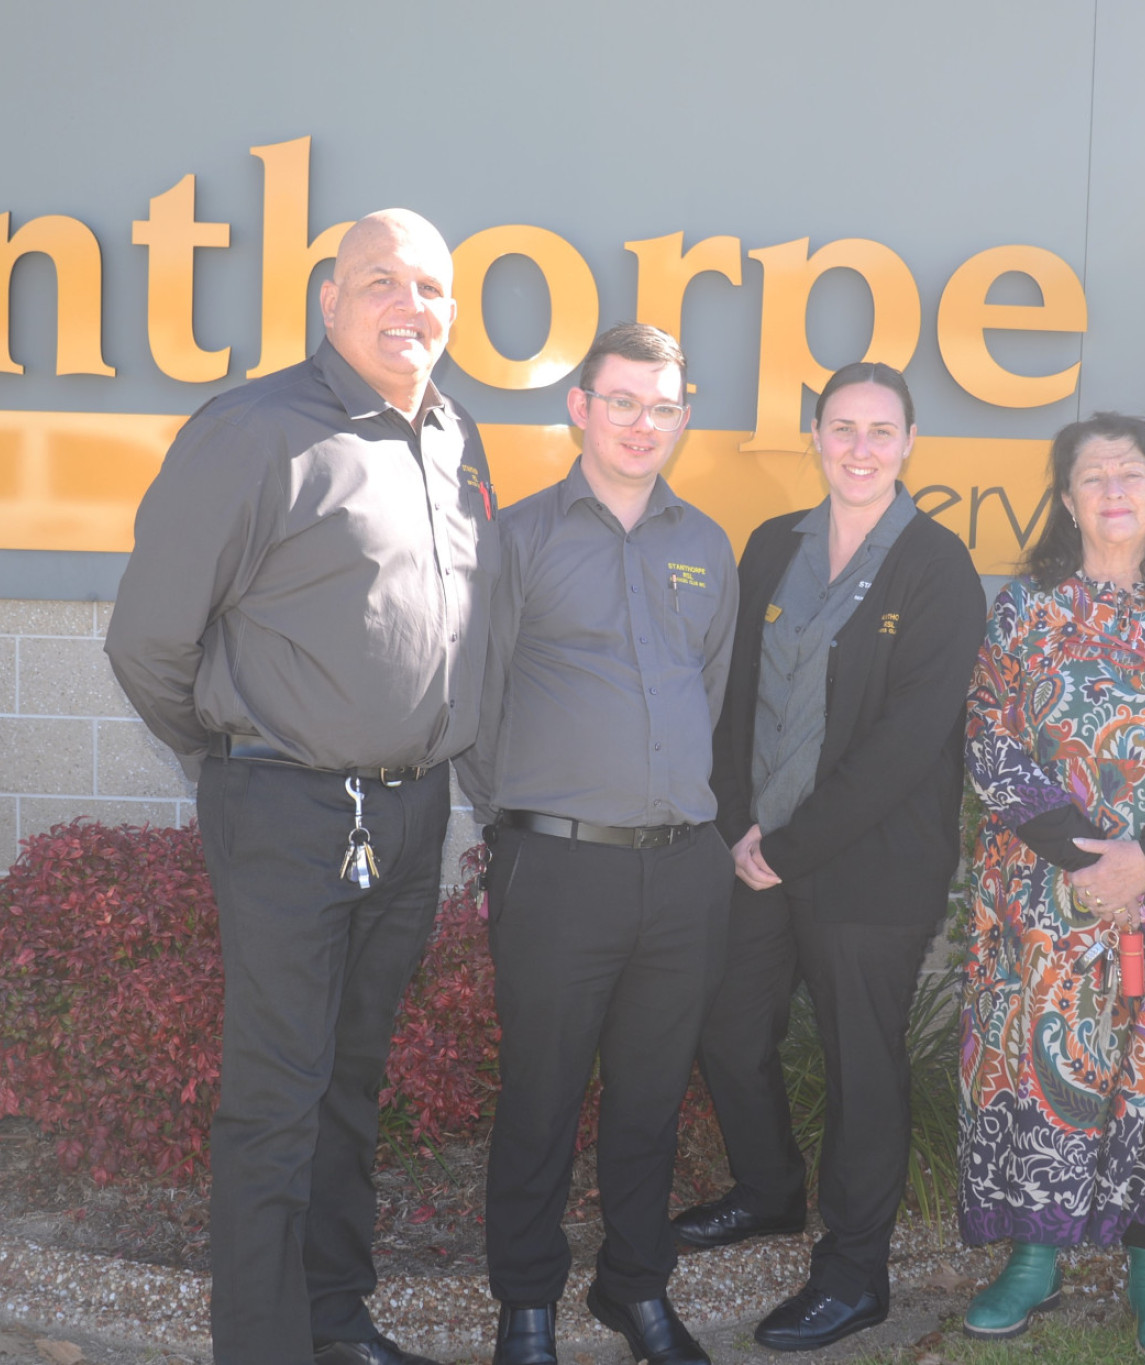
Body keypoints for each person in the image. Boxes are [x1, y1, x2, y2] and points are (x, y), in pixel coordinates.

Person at [104, 210, 497, 1365]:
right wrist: (231, 758)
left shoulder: (449, 435)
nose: (407, 306)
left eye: (429, 287)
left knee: (351, 1082)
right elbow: (146, 642)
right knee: (277, 1095)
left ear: (453, 315)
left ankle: (335, 1316)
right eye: (380, 280)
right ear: (327, 298)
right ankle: (265, 1346)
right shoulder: (251, 430)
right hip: (284, 811)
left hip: (411, 811)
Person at [671, 362, 985, 1349]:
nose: (858, 447)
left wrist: (791, 847)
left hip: (867, 867)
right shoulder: (772, 547)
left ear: (907, 443)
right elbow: (725, 696)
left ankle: (855, 1273)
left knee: (861, 1067)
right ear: (814, 435)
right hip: (756, 849)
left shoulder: (936, 566)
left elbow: (907, 742)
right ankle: (766, 1189)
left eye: (878, 430)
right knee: (725, 1025)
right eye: (840, 427)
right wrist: (733, 825)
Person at [955, 413, 1145, 1365]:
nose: (1114, 490)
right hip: (1048, 896)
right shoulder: (1025, 608)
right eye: (1092, 476)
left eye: (1131, 472)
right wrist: (1086, 858)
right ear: (1066, 499)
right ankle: (1035, 1254)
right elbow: (990, 740)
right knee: (1037, 1068)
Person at [457, 323, 739, 1365]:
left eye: (660, 406)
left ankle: (633, 1289)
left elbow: (706, 697)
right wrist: (527, 824)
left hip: (681, 875)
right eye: (620, 401)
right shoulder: (520, 538)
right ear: (578, 407)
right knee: (539, 1094)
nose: (640, 424)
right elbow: (474, 706)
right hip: (557, 869)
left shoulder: (704, 547)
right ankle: (524, 1303)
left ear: (682, 415)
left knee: (651, 1100)